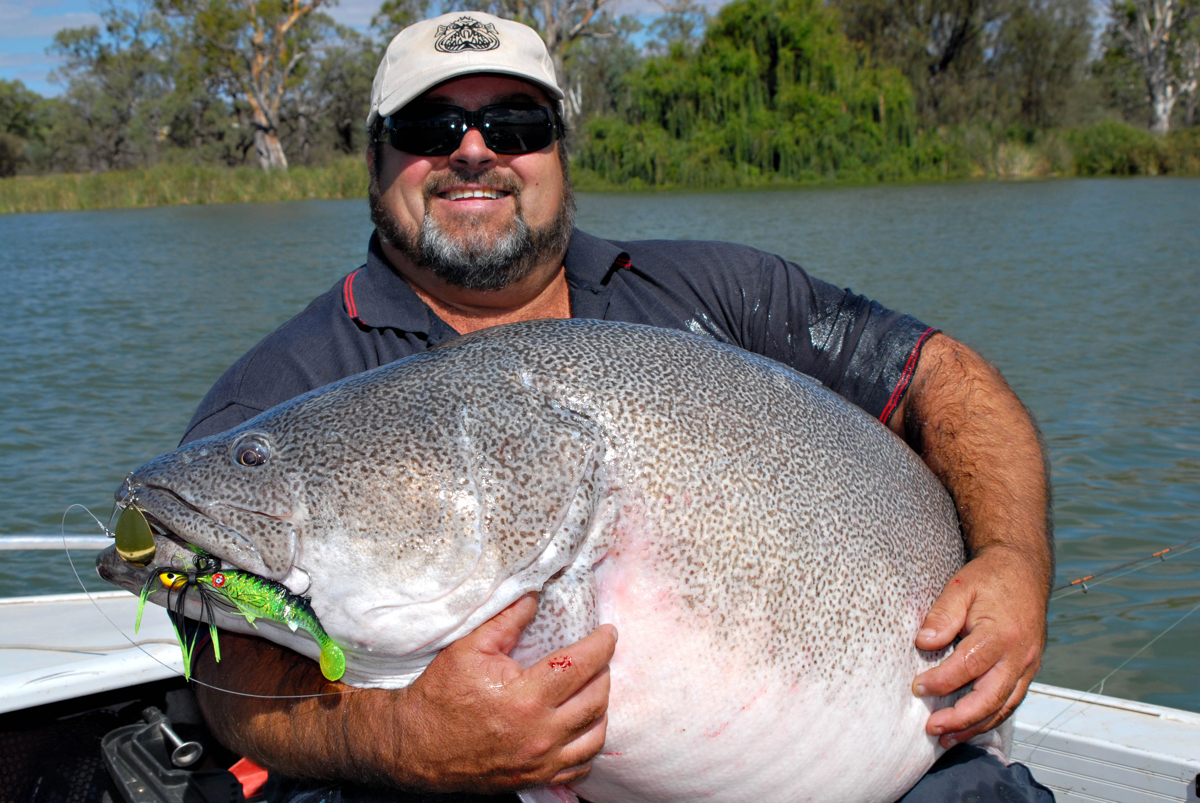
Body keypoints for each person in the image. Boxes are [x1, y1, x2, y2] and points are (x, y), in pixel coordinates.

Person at [180, 11, 1054, 802]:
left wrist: (1016, 560)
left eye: (516, 125)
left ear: (559, 154)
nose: (475, 150)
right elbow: (224, 666)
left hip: (895, 726)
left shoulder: (722, 291)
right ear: (374, 158)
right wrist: (400, 737)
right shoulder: (285, 384)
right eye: (430, 127)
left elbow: (943, 374)